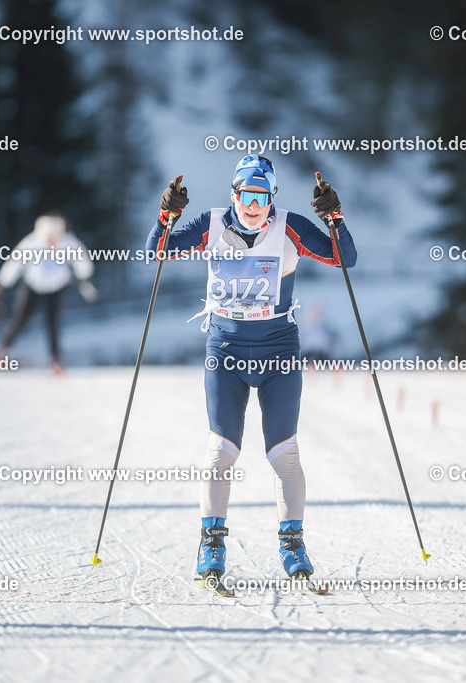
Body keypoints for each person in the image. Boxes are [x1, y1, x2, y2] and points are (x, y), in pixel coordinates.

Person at [147, 155, 356, 583]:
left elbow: (344, 258)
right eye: (247, 195)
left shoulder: (291, 227)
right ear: (234, 194)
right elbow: (157, 251)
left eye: (263, 197)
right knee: (220, 451)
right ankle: (211, 544)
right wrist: (167, 215)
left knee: (284, 454)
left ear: (272, 198)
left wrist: (335, 217)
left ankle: (292, 545)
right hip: (225, 350)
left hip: (279, 351)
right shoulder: (211, 224)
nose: (254, 205)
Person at [0, 211, 97, 372]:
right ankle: (2, 349)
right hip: (32, 285)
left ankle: (55, 358)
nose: (51, 239)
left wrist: (83, 276)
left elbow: (82, 259)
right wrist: (3, 282)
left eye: (55, 235)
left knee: (53, 322)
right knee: (20, 318)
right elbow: (15, 261)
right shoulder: (32, 242)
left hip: (56, 286)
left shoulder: (68, 242)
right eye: (48, 235)